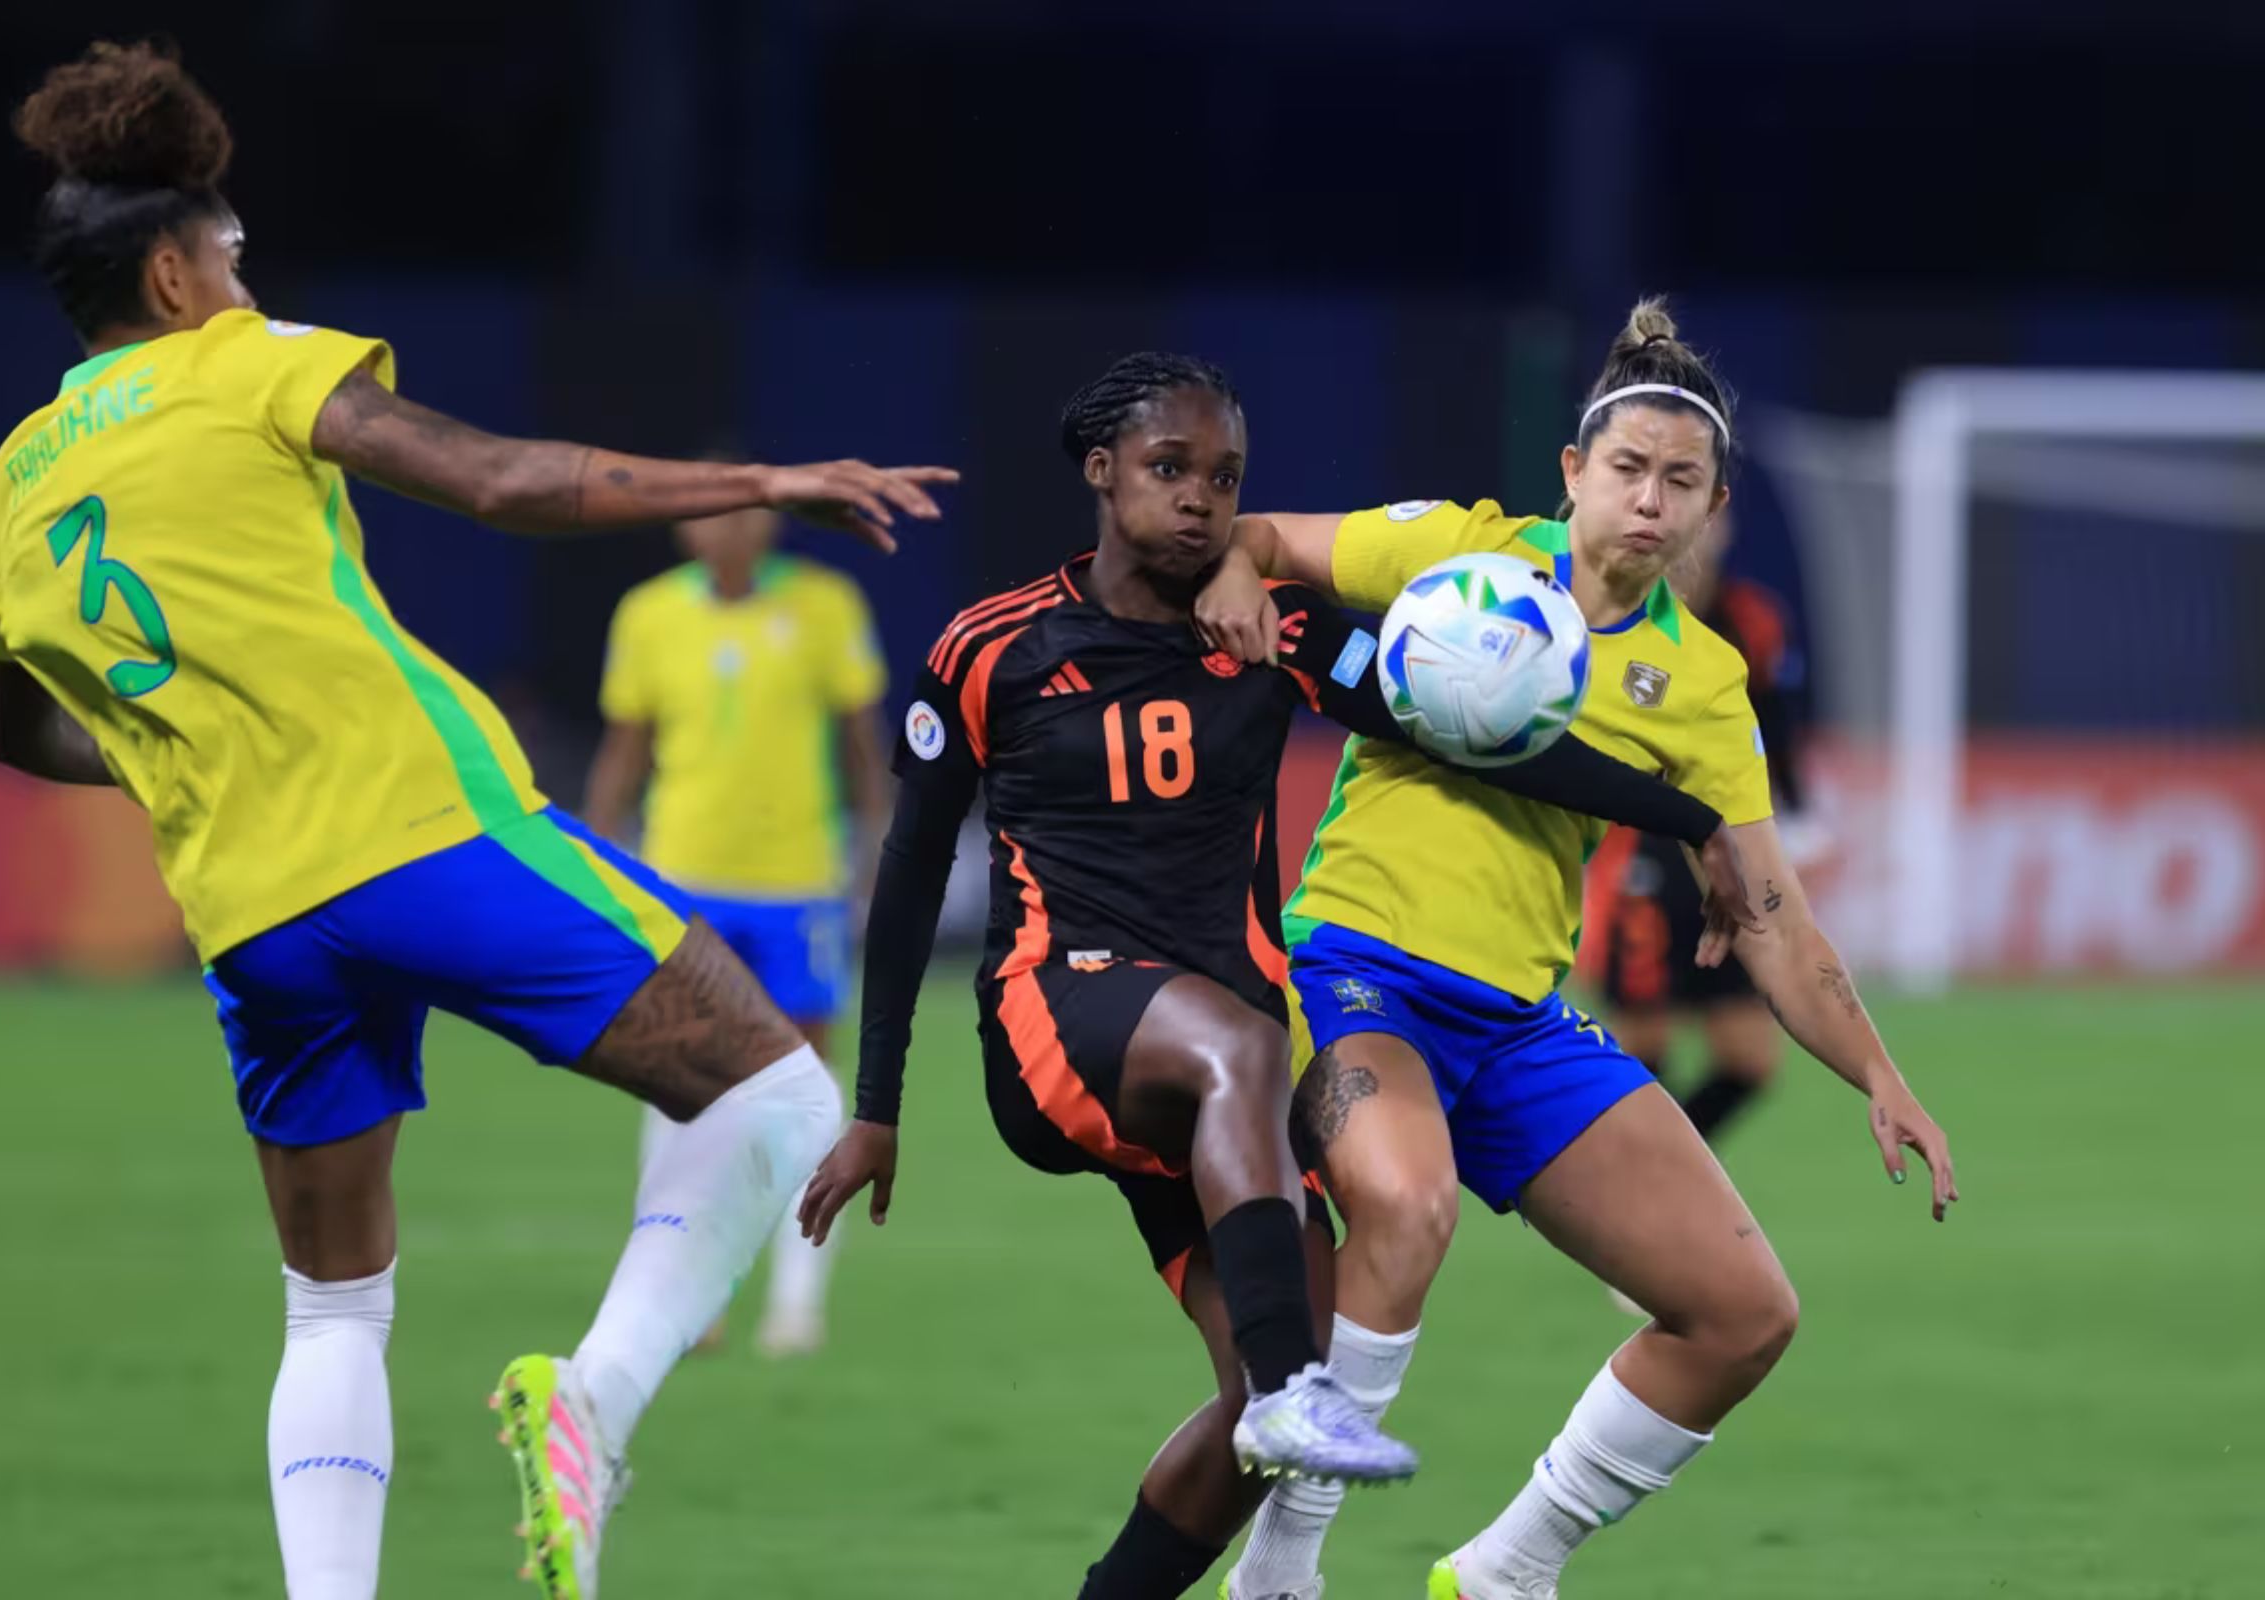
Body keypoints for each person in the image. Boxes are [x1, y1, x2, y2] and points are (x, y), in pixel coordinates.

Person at [0, 42, 953, 1600]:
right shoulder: (248, 361)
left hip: (249, 911)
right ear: (170, 272)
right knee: (776, 1102)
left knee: (334, 1310)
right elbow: (502, 482)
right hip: (417, 833)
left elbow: (28, 730)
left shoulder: (22, 474)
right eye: (229, 255)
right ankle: (596, 1406)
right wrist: (761, 475)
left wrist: (198, 752)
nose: (243, 276)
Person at [798, 352, 1753, 1599]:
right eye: (1169, 469)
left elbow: (1474, 743)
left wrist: (1689, 820)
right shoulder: (994, 646)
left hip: (1215, 1084)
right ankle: (1303, 1408)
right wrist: (875, 1105)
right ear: (1101, 472)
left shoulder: (1274, 634)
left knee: (1258, 1395)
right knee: (1258, 1132)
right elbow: (913, 870)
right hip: (1062, 1018)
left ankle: (1223, 1500)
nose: (1201, 498)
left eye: (1226, 477)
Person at [1195, 299, 1959, 1600]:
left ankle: (1504, 1572)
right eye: (1627, 471)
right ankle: (1281, 1571)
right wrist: (1230, 569)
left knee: (1743, 1313)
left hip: (1520, 1022)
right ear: (1572, 473)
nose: (1649, 502)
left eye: (1681, 482)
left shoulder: (1705, 685)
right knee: (1407, 1204)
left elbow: (1769, 911)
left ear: (1714, 504)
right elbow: (1264, 539)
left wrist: (1879, 1074)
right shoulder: (1458, 556)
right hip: (1358, 972)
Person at [582, 491, 891, 1357]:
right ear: (686, 523)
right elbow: (625, 747)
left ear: (770, 522)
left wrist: (876, 845)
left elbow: (863, 740)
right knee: (678, 1081)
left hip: (798, 883)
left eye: (746, 510)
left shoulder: (825, 604)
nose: (730, 526)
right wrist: (598, 856)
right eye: (713, 510)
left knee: (807, 1086)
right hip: (682, 881)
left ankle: (797, 1304)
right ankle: (685, 1292)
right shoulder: (649, 614)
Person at [1590, 511, 1818, 1170]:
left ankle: (1653, 1179)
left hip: (1730, 851)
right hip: (1642, 850)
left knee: (1749, 1058)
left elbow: (1775, 729)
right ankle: (1625, 1197)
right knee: (1640, 1047)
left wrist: (1797, 816)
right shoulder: (1617, 613)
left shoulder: (1753, 622)